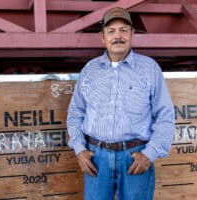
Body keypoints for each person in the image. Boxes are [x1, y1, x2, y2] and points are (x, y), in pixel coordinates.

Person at [66, 7, 175, 200]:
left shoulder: (150, 69)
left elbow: (165, 115)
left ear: (132, 34)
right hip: (96, 159)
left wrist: (149, 154)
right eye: (111, 31)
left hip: (135, 158)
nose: (118, 36)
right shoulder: (90, 70)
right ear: (103, 37)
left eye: (124, 30)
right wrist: (80, 150)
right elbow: (75, 113)